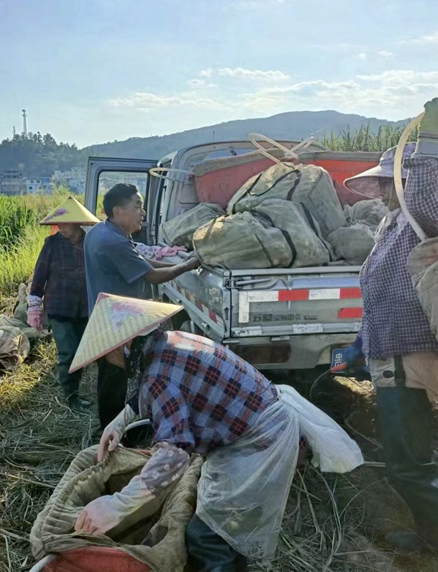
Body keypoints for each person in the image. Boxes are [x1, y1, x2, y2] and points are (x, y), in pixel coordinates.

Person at [67, 293, 363, 572]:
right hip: (255, 426)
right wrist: (119, 422)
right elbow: (170, 392)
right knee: (226, 528)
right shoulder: (168, 342)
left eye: (108, 355)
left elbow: (173, 457)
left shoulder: (158, 374)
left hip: (260, 441)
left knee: (206, 534)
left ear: (124, 345)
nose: (108, 362)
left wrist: (116, 506)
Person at [341, 91, 438, 572]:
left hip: (412, 353)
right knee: (409, 454)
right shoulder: (394, 223)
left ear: (407, 181)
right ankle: (432, 536)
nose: (384, 192)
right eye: (383, 185)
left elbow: (428, 192)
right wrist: (357, 347)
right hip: (390, 349)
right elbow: (381, 292)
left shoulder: (430, 213)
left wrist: (429, 135)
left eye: (391, 183)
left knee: (410, 463)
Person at [84, 183, 199, 428]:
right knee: (115, 377)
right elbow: (152, 277)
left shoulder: (100, 232)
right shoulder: (113, 242)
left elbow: (142, 263)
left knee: (111, 374)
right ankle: (113, 432)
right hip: (117, 321)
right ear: (118, 211)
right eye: (137, 206)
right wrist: (187, 266)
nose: (143, 213)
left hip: (104, 315)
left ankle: (115, 427)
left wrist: (172, 263)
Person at [27, 195, 100, 412]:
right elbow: (39, 277)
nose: (61, 227)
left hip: (84, 307)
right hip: (59, 307)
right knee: (67, 352)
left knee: (81, 353)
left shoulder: (90, 244)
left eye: (66, 222)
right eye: (59, 223)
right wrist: (34, 307)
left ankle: (75, 391)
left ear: (78, 222)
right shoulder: (52, 244)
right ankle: (71, 398)